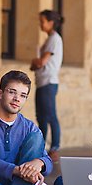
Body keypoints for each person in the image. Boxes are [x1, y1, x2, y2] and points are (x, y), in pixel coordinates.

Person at [30, 10, 64, 163]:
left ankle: (55, 148)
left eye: (42, 21)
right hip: (42, 83)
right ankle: (41, 147)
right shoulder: (49, 39)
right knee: (41, 117)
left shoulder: (54, 39)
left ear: (51, 22)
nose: (40, 24)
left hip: (49, 82)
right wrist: (35, 63)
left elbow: (41, 62)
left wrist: (35, 61)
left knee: (50, 116)